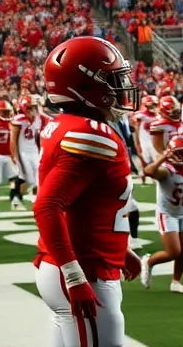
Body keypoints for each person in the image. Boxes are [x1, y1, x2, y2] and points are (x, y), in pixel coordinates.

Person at [34, 36, 141, 347]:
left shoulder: (67, 123)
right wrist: (75, 275)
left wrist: (122, 251)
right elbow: (48, 206)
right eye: (112, 80)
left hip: (77, 261)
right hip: (84, 267)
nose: (121, 88)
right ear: (85, 84)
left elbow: (86, 204)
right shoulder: (91, 134)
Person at [140, 135, 183, 294]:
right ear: (173, 153)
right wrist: (163, 157)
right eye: (181, 153)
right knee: (173, 251)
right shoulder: (166, 171)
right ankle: (148, 261)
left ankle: (176, 281)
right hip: (167, 213)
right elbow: (148, 171)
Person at [11, 94, 42, 204]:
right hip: (22, 151)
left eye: (34, 107)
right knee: (25, 176)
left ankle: (37, 196)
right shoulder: (19, 119)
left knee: (39, 174)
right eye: (30, 107)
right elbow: (13, 139)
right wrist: (13, 154)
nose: (33, 110)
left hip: (33, 150)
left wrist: (39, 149)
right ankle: (15, 195)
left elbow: (38, 137)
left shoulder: (37, 119)